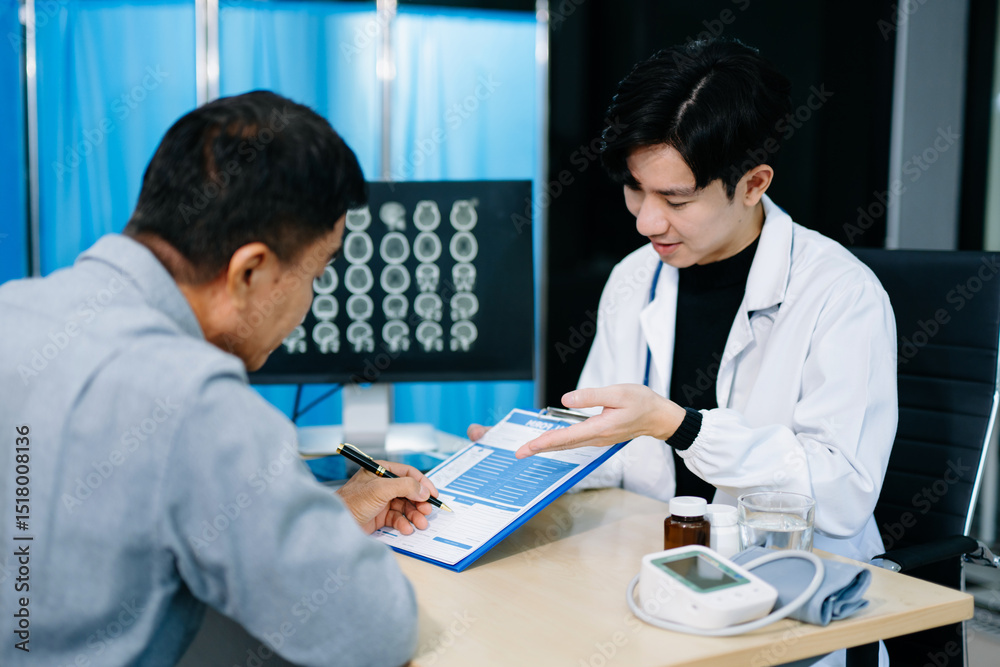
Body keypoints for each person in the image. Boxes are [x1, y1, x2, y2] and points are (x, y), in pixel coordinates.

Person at [0, 91, 437, 666]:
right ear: (250, 272)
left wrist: (326, 514)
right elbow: (376, 631)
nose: (310, 299)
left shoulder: (15, 310)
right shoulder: (193, 401)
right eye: (318, 272)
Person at [476, 35, 896, 626]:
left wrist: (680, 426)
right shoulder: (634, 278)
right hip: (655, 577)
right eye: (635, 189)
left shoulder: (841, 295)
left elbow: (842, 493)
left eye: (675, 197)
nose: (648, 221)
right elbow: (617, 449)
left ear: (754, 183)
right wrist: (535, 455)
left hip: (790, 602)